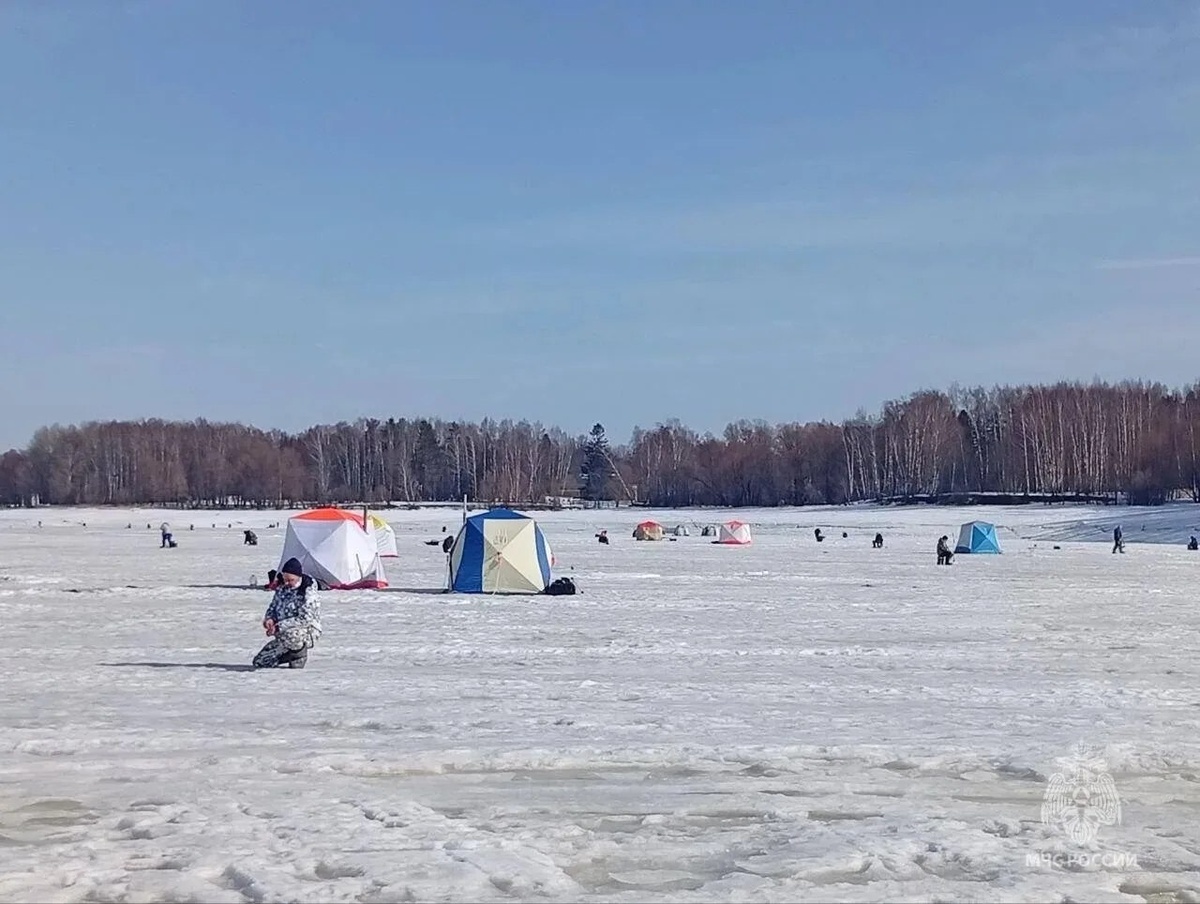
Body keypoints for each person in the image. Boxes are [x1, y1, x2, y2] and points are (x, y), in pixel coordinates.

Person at [253, 558, 321, 670]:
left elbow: (305, 619)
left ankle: (298, 654)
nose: (287, 583)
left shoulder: (308, 592)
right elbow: (273, 606)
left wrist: (279, 626)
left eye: (291, 580)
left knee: (293, 634)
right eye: (285, 579)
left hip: (305, 632)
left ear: (298, 577)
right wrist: (270, 619)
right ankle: (288, 655)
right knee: (260, 662)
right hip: (283, 635)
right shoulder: (282, 588)